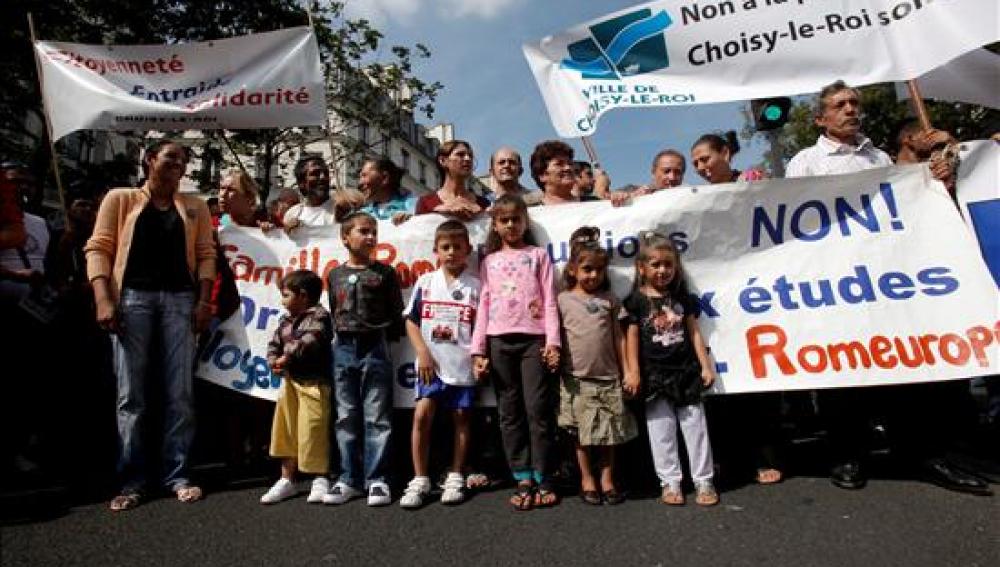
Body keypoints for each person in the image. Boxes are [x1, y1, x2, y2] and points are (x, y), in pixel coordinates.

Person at [85, 139, 216, 511]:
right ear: (149, 160)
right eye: (171, 156)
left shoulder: (195, 206)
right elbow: (99, 248)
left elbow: (207, 254)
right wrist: (103, 298)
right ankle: (133, 479)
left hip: (180, 300)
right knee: (131, 394)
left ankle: (177, 473)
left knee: (180, 391)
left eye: (184, 159)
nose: (179, 163)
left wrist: (204, 300)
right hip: (132, 300)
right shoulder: (120, 198)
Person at [471, 194, 561, 510]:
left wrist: (553, 342)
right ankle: (521, 474)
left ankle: (543, 475)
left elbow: (550, 300)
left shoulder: (538, 256)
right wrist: (478, 349)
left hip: (533, 340)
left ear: (525, 221)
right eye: (504, 220)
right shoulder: (489, 260)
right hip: (498, 341)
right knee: (509, 413)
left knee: (538, 409)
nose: (511, 225)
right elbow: (482, 303)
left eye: (516, 219)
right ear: (495, 224)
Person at [624, 232, 718, 506]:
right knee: (660, 430)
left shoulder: (682, 298)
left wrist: (705, 366)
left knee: (695, 427)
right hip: (653, 375)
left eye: (668, 264)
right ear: (642, 268)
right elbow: (630, 339)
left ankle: (704, 481)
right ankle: (670, 482)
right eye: (655, 264)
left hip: (686, 372)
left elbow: (695, 333)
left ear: (676, 267)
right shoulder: (635, 302)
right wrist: (632, 372)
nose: (662, 270)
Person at [399, 220, 482, 508]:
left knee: (461, 417)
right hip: (430, 365)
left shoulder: (476, 286)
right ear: (436, 250)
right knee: (422, 415)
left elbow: (484, 325)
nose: (451, 252)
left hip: (461, 364)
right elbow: (411, 320)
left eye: (457, 247)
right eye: (445, 247)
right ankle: (420, 478)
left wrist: (480, 355)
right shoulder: (426, 282)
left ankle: (456, 474)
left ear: (468, 250)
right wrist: (422, 351)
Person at [324, 212, 404, 506]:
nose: (370, 237)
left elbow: (396, 312)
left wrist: (383, 337)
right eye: (363, 231)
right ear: (345, 237)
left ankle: (377, 479)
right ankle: (348, 478)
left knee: (377, 415)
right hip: (343, 346)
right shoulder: (334, 274)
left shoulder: (385, 274)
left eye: (374, 231)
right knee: (345, 415)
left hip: (375, 346)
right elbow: (334, 308)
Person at [557, 226, 637, 505]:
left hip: (608, 377)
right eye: (587, 269)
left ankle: (607, 478)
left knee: (610, 432)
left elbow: (619, 336)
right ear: (572, 270)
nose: (593, 275)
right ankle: (586, 478)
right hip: (576, 379)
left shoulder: (610, 301)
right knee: (580, 432)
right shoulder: (562, 301)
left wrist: (628, 370)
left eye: (599, 270)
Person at [260, 270, 335, 505]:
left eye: (285, 295)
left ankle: (320, 476)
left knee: (314, 429)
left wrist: (287, 357)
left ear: (302, 296)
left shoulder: (320, 316)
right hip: (291, 382)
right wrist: (272, 359)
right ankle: (287, 478)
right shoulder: (285, 320)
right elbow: (274, 342)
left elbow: (310, 339)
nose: (282, 301)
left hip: (315, 383)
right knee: (287, 428)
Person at [785, 81, 892, 178]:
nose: (850, 110)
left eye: (854, 103)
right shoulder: (804, 162)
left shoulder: (880, 158)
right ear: (820, 120)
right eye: (839, 105)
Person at [415, 140, 490, 220]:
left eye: (470, 156)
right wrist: (437, 213)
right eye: (460, 155)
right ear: (443, 161)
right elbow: (419, 230)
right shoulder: (426, 203)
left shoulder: (484, 203)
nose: (468, 159)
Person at [283, 156, 358, 231]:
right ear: (301, 183)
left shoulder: (343, 209)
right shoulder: (293, 214)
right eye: (315, 173)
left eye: (326, 173)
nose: (323, 177)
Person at [690, 131, 766, 184]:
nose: (700, 167)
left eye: (705, 159)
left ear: (725, 153)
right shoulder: (703, 197)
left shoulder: (753, 179)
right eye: (695, 164)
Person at [357, 157, 416, 224]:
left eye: (364, 175)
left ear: (385, 178)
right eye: (360, 177)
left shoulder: (414, 205)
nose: (360, 183)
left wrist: (412, 218)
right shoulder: (361, 215)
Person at [530, 140, 579, 207]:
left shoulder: (593, 204)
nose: (568, 168)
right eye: (559, 164)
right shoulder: (530, 213)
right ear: (542, 175)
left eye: (570, 163)